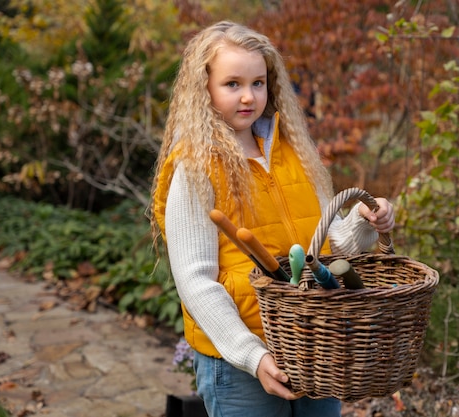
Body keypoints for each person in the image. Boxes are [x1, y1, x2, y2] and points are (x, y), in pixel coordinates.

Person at [149, 21, 395, 417]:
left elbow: (331, 246)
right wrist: (253, 356)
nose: (248, 96)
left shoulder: (293, 152)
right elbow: (195, 282)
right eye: (232, 84)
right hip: (240, 364)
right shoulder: (194, 168)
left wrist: (366, 220)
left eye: (258, 83)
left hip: (314, 345)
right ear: (205, 88)